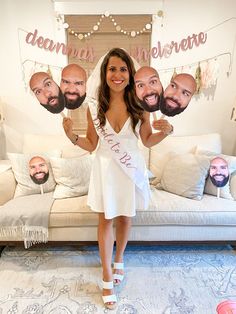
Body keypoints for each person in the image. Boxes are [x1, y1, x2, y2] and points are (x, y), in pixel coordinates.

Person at [63, 48, 173, 310]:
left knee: (125, 216)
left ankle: (120, 259)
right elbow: (91, 144)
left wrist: (166, 132)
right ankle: (106, 274)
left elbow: (146, 139)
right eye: (112, 69)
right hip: (105, 168)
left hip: (130, 167)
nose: (118, 74)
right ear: (105, 72)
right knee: (106, 219)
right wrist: (71, 136)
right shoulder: (95, 105)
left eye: (123, 69)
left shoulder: (141, 104)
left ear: (130, 73)